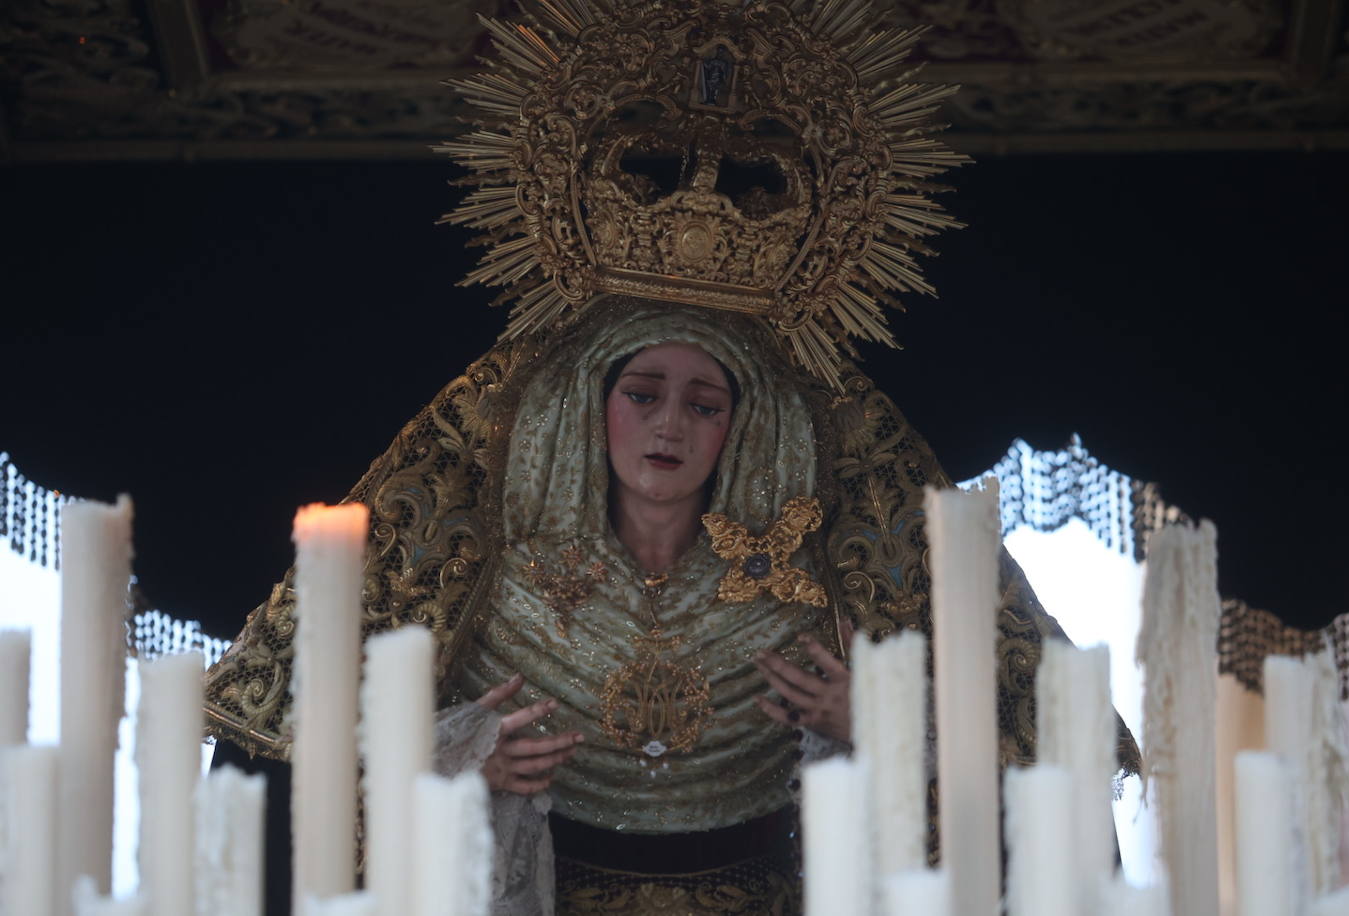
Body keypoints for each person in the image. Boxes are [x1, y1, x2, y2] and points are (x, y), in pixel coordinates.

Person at [204, 1, 1139, 913]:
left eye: (704, 403)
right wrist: (461, 760)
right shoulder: (493, 560)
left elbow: (1034, 734)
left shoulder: (820, 567)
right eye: (642, 394)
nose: (669, 427)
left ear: (743, 424)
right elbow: (306, 726)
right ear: (591, 406)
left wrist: (883, 725)